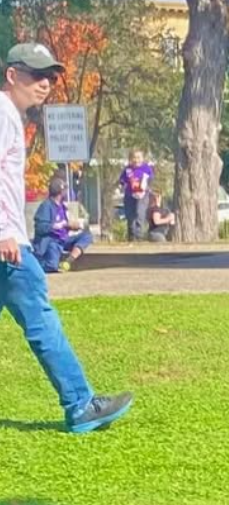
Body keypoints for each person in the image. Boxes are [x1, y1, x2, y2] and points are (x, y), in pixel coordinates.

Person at [0, 42, 133, 434]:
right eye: (37, 75)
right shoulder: (3, 115)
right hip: (9, 245)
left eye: (51, 77)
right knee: (41, 319)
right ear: (12, 74)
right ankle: (80, 405)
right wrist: (5, 231)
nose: (46, 83)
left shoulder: (11, 117)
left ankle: (81, 403)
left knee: (40, 317)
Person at [32, 176, 93, 272]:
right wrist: (60, 225)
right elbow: (40, 228)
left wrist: (71, 226)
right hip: (52, 241)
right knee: (51, 266)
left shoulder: (62, 205)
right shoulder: (46, 206)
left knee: (87, 236)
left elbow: (65, 223)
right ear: (61, 192)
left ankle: (68, 261)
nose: (66, 192)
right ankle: (33, 265)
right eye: (65, 189)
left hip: (64, 239)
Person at [119, 149, 153, 241]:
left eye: (138, 157)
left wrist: (145, 186)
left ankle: (139, 237)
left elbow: (150, 179)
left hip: (142, 195)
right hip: (130, 195)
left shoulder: (146, 168)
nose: (136, 160)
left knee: (140, 214)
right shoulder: (128, 169)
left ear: (142, 158)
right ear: (130, 158)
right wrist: (123, 184)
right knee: (130, 216)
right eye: (134, 157)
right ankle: (132, 237)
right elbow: (122, 180)